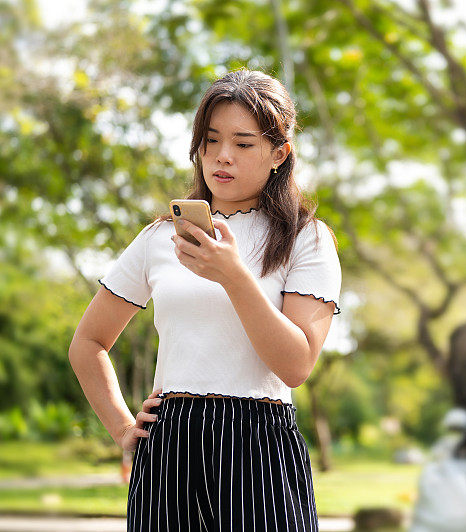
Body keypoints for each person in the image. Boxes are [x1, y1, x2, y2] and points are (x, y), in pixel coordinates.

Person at [68, 68, 342, 532]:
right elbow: (88, 342)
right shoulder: (160, 238)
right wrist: (121, 428)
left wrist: (232, 276)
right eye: (211, 140)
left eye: (243, 143)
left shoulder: (305, 239)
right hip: (169, 443)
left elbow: (296, 365)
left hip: (259, 441)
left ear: (280, 153)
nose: (222, 156)